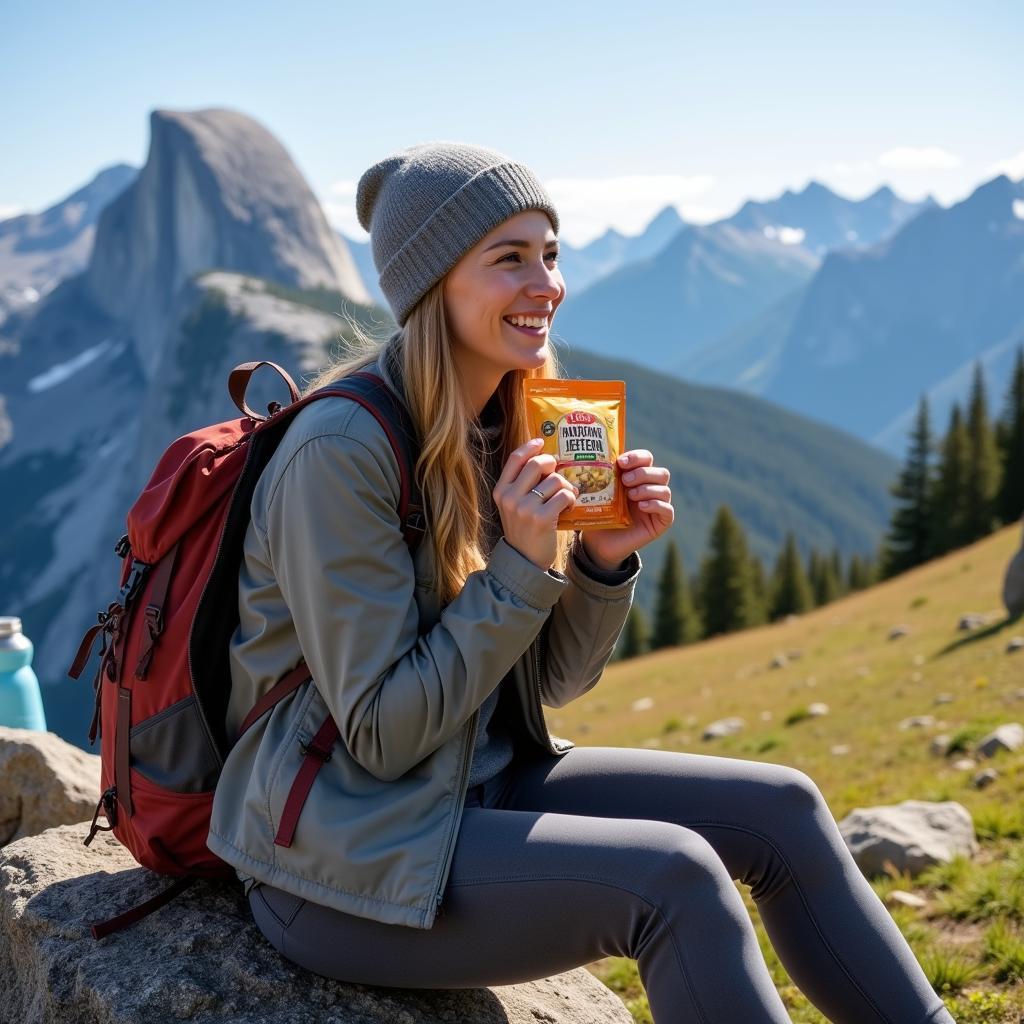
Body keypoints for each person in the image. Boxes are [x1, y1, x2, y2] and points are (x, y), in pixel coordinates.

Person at [207, 142, 955, 1024]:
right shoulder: (343, 453)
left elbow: (550, 683)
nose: (547, 285)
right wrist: (522, 567)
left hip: (473, 786)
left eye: (551, 254)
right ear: (432, 286)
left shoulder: (511, 419)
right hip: (337, 853)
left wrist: (599, 562)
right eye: (509, 259)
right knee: (676, 883)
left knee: (784, 811)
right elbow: (380, 735)